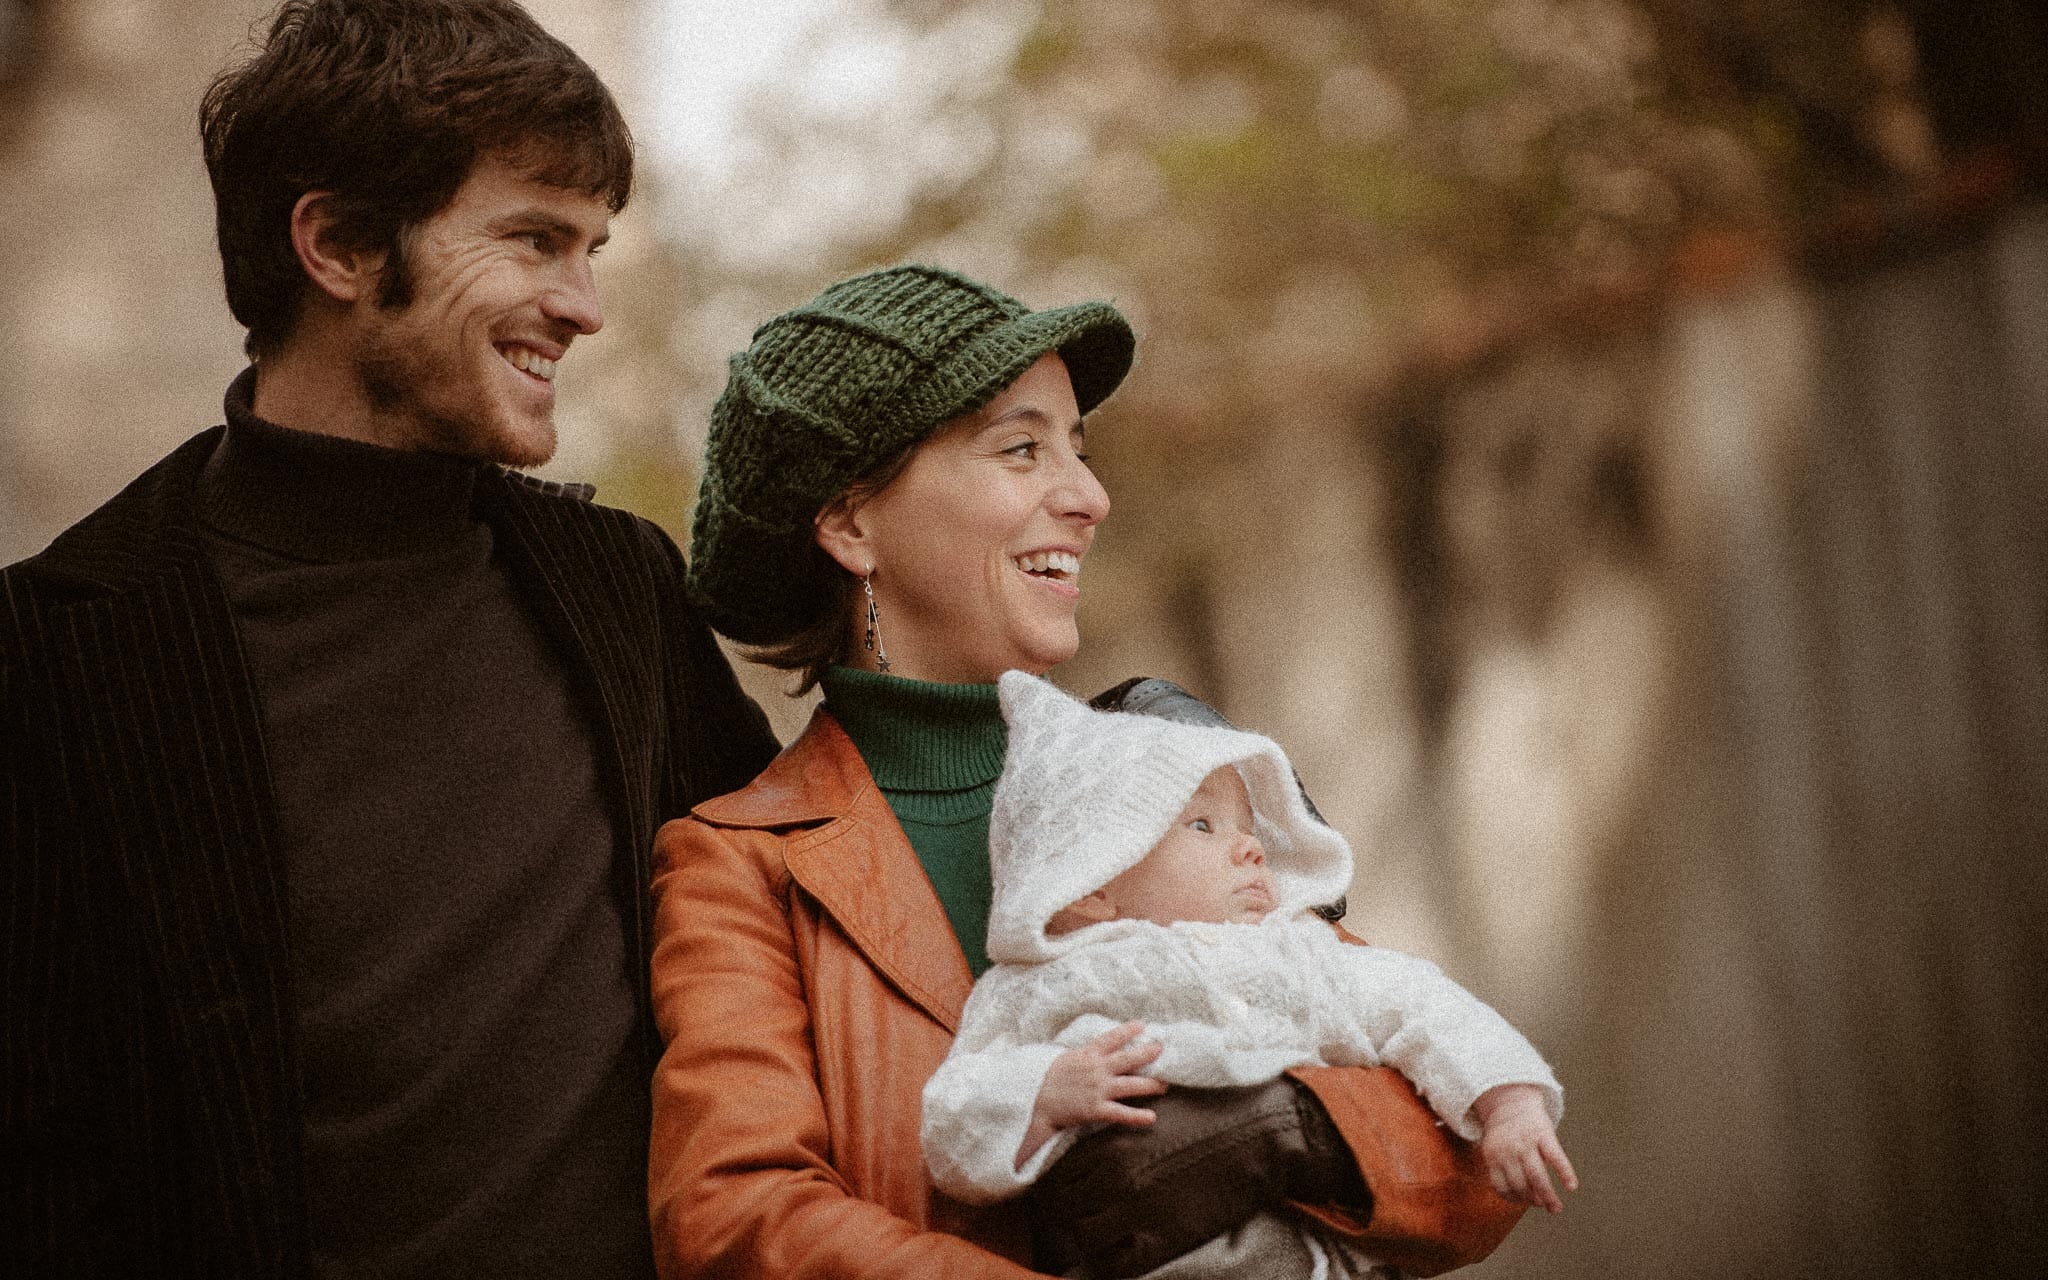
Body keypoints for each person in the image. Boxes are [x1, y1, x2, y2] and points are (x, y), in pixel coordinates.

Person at [0, 2, 776, 1274]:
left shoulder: (622, 590)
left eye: (589, 249)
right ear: (340, 245)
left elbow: (800, 927)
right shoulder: (49, 653)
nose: (581, 305)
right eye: (534, 239)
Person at [649, 263, 1524, 1279]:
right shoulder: (740, 866)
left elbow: (1475, 1148)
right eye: (1021, 449)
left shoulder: (1157, 776)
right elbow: (735, 1220)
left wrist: (1288, 1124)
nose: (1088, 497)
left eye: (1079, 450)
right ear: (850, 523)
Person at [922, 671, 1576, 1278]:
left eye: (1248, 826)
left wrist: (1509, 1104)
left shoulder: (1295, 954)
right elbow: (954, 1119)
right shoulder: (1039, 986)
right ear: (1089, 881)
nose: (1250, 846)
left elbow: (1421, 1004)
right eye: (1203, 825)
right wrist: (1043, 1091)